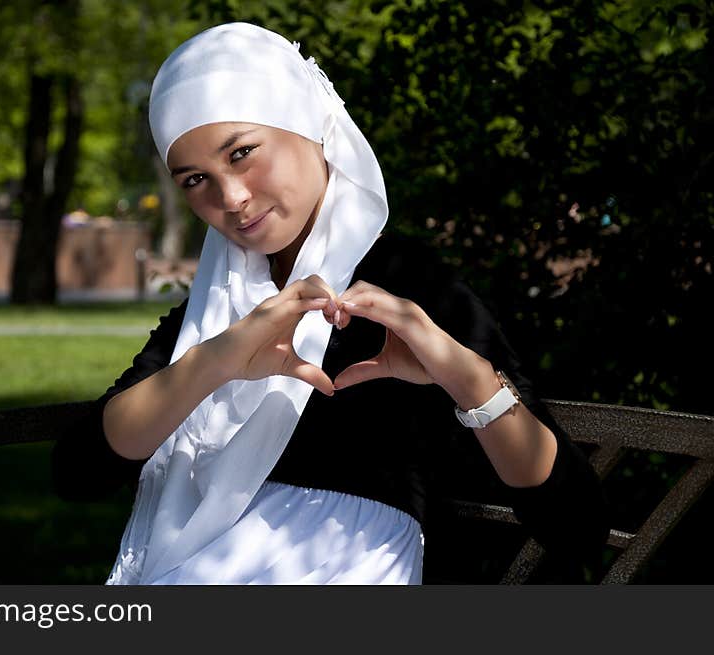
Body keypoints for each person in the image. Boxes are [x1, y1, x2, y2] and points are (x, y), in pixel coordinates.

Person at [52, 22, 610, 585]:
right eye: (196, 179)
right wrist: (213, 364)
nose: (231, 198)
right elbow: (78, 471)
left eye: (243, 153)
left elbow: (578, 524)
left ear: (311, 124)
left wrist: (469, 379)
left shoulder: (408, 293)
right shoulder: (215, 314)